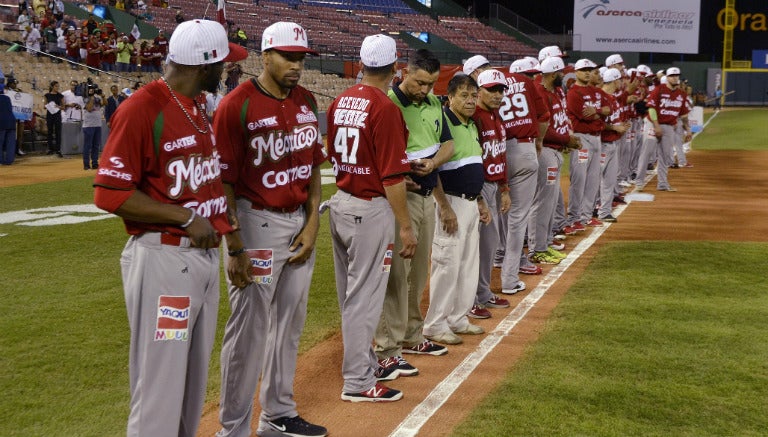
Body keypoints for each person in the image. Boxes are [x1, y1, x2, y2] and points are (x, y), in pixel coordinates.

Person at [93, 19, 247, 437]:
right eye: (223, 63)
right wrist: (185, 217)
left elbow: (207, 188)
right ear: (204, 65)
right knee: (160, 384)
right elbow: (109, 193)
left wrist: (231, 242)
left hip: (200, 259)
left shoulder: (193, 105)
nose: (228, 70)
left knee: (191, 383)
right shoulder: (142, 108)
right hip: (164, 260)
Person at [213, 21, 327, 437]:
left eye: (301, 58)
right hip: (256, 222)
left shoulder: (306, 99)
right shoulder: (236, 105)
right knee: (248, 333)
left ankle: (278, 413)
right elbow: (222, 181)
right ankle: (233, 429)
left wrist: (313, 222)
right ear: (266, 56)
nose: (296, 65)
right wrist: (235, 244)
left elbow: (315, 166)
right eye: (289, 57)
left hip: (299, 221)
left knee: (289, 326)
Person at [326, 34, 417, 402]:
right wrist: (407, 225)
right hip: (370, 206)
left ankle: (362, 365)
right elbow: (392, 177)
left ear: (361, 64)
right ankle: (359, 381)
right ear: (396, 68)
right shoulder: (384, 107)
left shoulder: (339, 100)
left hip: (342, 200)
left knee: (351, 296)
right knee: (364, 299)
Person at [376, 49, 454, 364]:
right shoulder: (389, 105)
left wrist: (433, 162)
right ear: (405, 72)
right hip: (399, 198)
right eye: (419, 82)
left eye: (431, 84)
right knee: (396, 274)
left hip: (426, 195)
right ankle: (387, 348)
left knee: (419, 273)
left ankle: (412, 335)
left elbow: (448, 144)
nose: (424, 90)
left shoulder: (435, 104)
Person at [422, 74, 491, 344]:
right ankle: (435, 324)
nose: (470, 100)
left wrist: (481, 201)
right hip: (451, 202)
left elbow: (473, 166)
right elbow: (433, 168)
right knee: (446, 264)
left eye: (474, 95)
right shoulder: (443, 124)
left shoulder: (472, 124)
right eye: (464, 95)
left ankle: (457, 318)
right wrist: (443, 205)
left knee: (467, 265)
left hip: (471, 202)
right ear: (449, 97)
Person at [498, 58, 549, 295]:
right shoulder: (526, 84)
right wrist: (538, 141)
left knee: (497, 212)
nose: (533, 77)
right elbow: (544, 115)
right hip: (523, 147)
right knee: (517, 218)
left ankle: (497, 258)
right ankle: (509, 278)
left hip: (495, 150)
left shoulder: (490, 82)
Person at [528, 56, 581, 265]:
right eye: (560, 72)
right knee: (542, 202)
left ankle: (545, 243)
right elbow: (543, 128)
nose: (564, 75)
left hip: (555, 150)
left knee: (549, 202)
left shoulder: (554, 93)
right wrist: (566, 139)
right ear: (552, 74)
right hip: (546, 151)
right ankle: (537, 249)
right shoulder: (541, 93)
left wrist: (564, 140)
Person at [468, 68, 512, 319]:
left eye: (500, 90)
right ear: (480, 90)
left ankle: (482, 292)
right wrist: (478, 195)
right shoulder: (475, 116)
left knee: (489, 244)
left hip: (494, 185)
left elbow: (501, 154)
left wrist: (505, 188)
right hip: (479, 186)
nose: (497, 95)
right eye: (492, 90)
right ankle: (470, 297)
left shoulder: (496, 116)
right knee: (475, 246)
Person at [564, 59, 611, 234]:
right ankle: (573, 217)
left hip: (597, 138)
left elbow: (609, 109)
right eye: (583, 70)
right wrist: (599, 113)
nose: (587, 73)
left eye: (589, 70)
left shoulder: (596, 91)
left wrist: (597, 112)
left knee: (593, 180)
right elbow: (584, 116)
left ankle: (585, 215)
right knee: (579, 179)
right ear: (576, 72)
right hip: (582, 138)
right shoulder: (573, 93)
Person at [634, 67, 691, 192]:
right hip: (652, 124)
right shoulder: (658, 90)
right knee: (646, 152)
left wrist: (688, 129)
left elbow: (683, 114)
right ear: (667, 78)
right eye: (672, 75)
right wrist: (656, 126)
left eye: (677, 75)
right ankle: (639, 182)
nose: (675, 77)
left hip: (669, 126)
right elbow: (652, 108)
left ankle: (663, 184)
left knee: (665, 155)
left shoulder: (681, 94)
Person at [595, 67, 631, 223]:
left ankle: (604, 211)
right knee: (595, 179)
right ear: (615, 80)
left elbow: (613, 121)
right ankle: (591, 209)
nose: (622, 82)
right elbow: (596, 122)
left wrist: (621, 126)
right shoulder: (601, 97)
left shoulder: (613, 98)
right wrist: (615, 127)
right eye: (620, 80)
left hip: (613, 143)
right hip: (602, 143)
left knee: (609, 180)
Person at [82, 85, 103, 170]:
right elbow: (89, 108)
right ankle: (86, 164)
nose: (92, 91)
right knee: (87, 145)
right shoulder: (85, 98)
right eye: (90, 89)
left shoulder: (97, 98)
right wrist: (92, 98)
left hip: (98, 124)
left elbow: (105, 104)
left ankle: (95, 163)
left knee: (96, 145)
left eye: (93, 89)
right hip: (88, 125)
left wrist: (103, 96)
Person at [44, 80, 64, 156]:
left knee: (58, 132)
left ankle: (58, 149)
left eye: (58, 86)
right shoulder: (47, 95)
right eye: (56, 86)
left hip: (57, 115)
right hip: (50, 114)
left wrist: (58, 107)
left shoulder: (60, 95)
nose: (57, 87)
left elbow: (63, 107)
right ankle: (50, 148)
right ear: (52, 87)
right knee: (50, 132)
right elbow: (44, 105)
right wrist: (49, 106)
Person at [0, 82, 16, 165]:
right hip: (11, 122)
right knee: (10, 143)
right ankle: (9, 160)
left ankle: (1, 161)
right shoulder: (7, 98)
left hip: (1, 122)